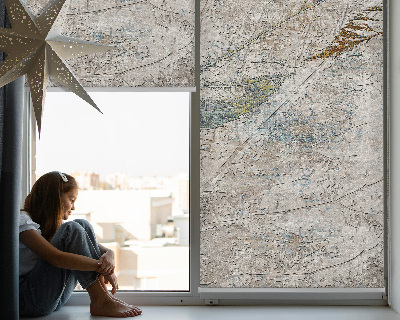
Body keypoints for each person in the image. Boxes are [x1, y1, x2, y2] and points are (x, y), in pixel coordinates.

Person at [19, 171, 142, 317]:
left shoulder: (49, 225)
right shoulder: (23, 221)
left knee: (81, 224)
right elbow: (56, 258)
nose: (73, 207)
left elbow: (93, 248)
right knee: (72, 228)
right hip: (28, 301)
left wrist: (110, 254)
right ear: (55, 198)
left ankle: (104, 298)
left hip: (52, 299)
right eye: (71, 200)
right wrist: (102, 268)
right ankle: (101, 301)